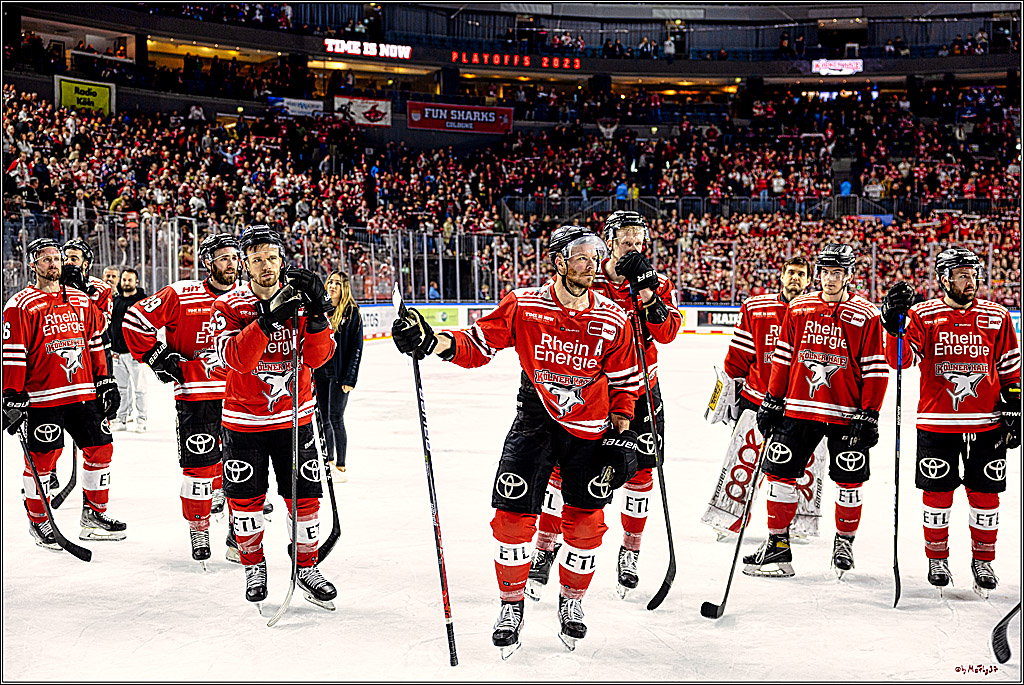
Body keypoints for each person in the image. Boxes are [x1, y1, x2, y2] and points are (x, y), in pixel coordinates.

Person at [392, 225, 642, 657]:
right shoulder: (524, 304)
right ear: (559, 261)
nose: (593, 263)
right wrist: (432, 342)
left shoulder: (614, 317)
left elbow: (625, 385)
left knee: (585, 526)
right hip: (535, 420)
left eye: (595, 256)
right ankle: (511, 605)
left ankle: (572, 602)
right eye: (582, 256)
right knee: (510, 519)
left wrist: (626, 435)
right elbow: (476, 344)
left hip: (589, 432)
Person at [526, 211, 682, 600]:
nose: (632, 247)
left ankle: (630, 551)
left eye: (638, 241)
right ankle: (545, 548)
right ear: (607, 243)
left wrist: (646, 292)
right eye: (624, 241)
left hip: (641, 391)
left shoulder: (657, 283)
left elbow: (668, 334)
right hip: (587, 394)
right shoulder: (586, 279)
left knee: (639, 474)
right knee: (563, 474)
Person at [879, 247, 1020, 597]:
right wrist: (893, 326)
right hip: (936, 422)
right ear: (944, 279)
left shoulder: (997, 316)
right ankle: (937, 558)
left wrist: (1016, 404)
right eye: (961, 275)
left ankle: (983, 561)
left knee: (986, 495)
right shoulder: (924, 316)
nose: (970, 281)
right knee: (937, 493)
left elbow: (1010, 365)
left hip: (987, 423)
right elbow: (899, 361)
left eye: (973, 274)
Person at [212, 225, 337, 609]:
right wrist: (266, 322)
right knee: (246, 502)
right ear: (244, 265)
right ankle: (253, 565)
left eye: (271, 257)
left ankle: (307, 567)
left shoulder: (299, 301)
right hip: (244, 423)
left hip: (295, 420)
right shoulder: (228, 306)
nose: (266, 266)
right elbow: (237, 360)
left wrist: (316, 314)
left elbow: (318, 359)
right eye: (256, 260)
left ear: (282, 259)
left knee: (306, 500)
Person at [747, 243, 888, 578]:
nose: (830, 279)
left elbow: (876, 369)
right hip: (797, 408)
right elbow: (782, 357)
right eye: (825, 272)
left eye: (837, 273)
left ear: (849, 275)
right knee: (779, 474)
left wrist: (870, 413)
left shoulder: (866, 315)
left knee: (849, 479)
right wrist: (772, 399)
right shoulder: (799, 308)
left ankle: (844, 543)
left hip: (845, 412)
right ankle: (777, 547)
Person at [123, 234, 243, 566]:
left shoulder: (248, 297)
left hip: (243, 399)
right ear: (208, 262)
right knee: (198, 469)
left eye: (235, 257)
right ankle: (199, 528)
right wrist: (158, 357)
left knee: (242, 469)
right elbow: (135, 319)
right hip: (196, 396)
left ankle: (238, 532)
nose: (231, 263)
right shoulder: (181, 293)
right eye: (224, 258)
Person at [2, 238, 126, 548]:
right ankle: (39, 522)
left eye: (56, 258)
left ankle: (93, 517)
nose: (53, 263)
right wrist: (11, 393)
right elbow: (13, 352)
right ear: (33, 265)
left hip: (83, 391)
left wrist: (105, 381)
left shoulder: (82, 301)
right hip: (43, 397)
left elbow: (96, 341)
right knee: (43, 460)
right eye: (45, 259)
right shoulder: (20, 305)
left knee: (101, 449)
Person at [702, 257, 824, 540]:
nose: (795, 278)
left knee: (802, 465)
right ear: (781, 275)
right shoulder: (756, 308)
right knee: (743, 462)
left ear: (809, 280)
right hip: (756, 399)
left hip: (801, 403)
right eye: (790, 272)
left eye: (801, 274)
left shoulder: (819, 312)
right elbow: (736, 359)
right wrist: (725, 398)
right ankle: (728, 519)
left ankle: (798, 524)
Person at [314, 271, 363, 481]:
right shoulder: (320, 309)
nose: (333, 286)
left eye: (338, 283)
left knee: (336, 418)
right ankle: (329, 460)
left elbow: (356, 349)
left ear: (344, 288)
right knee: (323, 418)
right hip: (320, 372)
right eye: (330, 282)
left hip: (339, 374)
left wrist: (350, 379)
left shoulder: (352, 312)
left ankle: (341, 465)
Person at [62, 238, 113, 371]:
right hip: (65, 347)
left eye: (74, 259)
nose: (68, 262)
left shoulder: (101, 288)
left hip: (96, 350)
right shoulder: (54, 287)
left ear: (85, 264)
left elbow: (101, 327)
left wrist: (84, 293)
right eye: (65, 258)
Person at [108, 268, 148, 432]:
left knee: (140, 389)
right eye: (124, 280)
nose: (126, 283)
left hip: (135, 354)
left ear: (136, 282)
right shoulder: (115, 301)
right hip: (117, 353)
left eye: (129, 280)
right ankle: (122, 418)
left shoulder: (143, 301)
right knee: (121, 389)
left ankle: (142, 419)